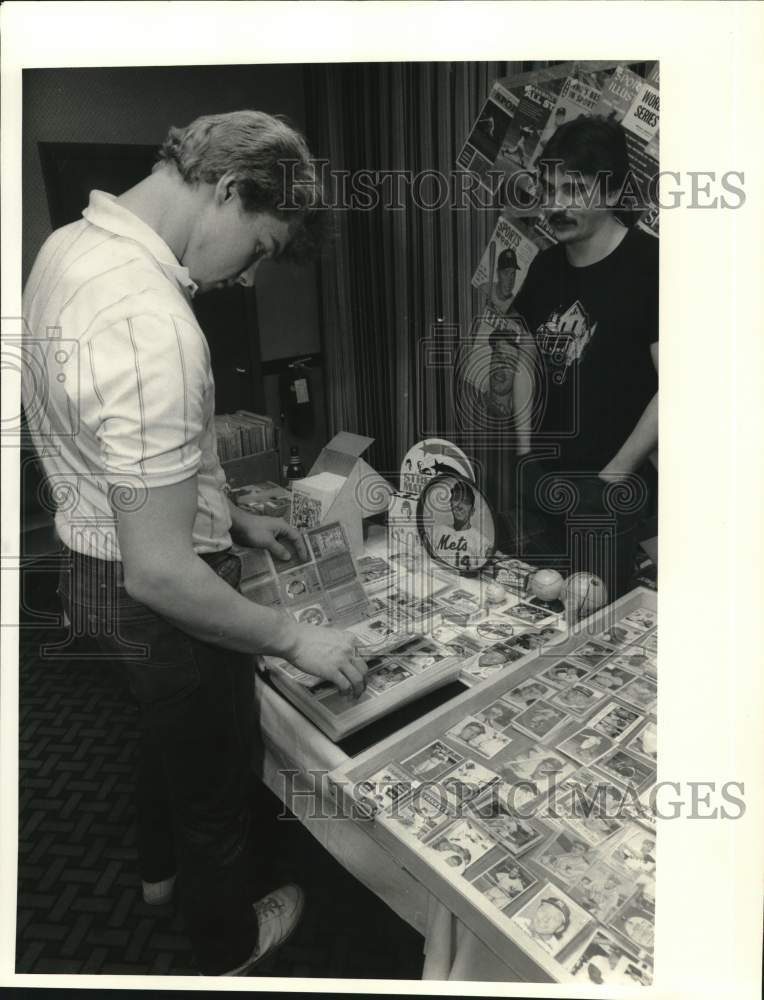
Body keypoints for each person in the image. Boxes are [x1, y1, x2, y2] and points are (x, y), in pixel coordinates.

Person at [21, 110, 370, 977]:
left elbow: (111, 445)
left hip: (86, 562)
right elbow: (165, 572)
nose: (250, 278)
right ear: (226, 191)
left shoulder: (67, 247)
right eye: (259, 247)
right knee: (217, 778)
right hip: (151, 589)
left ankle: (156, 877)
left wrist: (232, 515)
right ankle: (228, 944)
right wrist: (296, 636)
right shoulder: (154, 326)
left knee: (163, 730)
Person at [510, 117, 658, 599]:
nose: (556, 204)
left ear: (613, 192)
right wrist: (526, 455)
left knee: (611, 633)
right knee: (546, 625)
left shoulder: (652, 265)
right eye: (550, 188)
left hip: (621, 493)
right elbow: (525, 361)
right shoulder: (546, 265)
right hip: (549, 488)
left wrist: (612, 478)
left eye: (574, 189)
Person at [430, 480, 492, 571]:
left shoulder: (481, 542)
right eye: (456, 499)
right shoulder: (437, 531)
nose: (459, 505)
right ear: (451, 505)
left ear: (472, 511)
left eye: (465, 501)